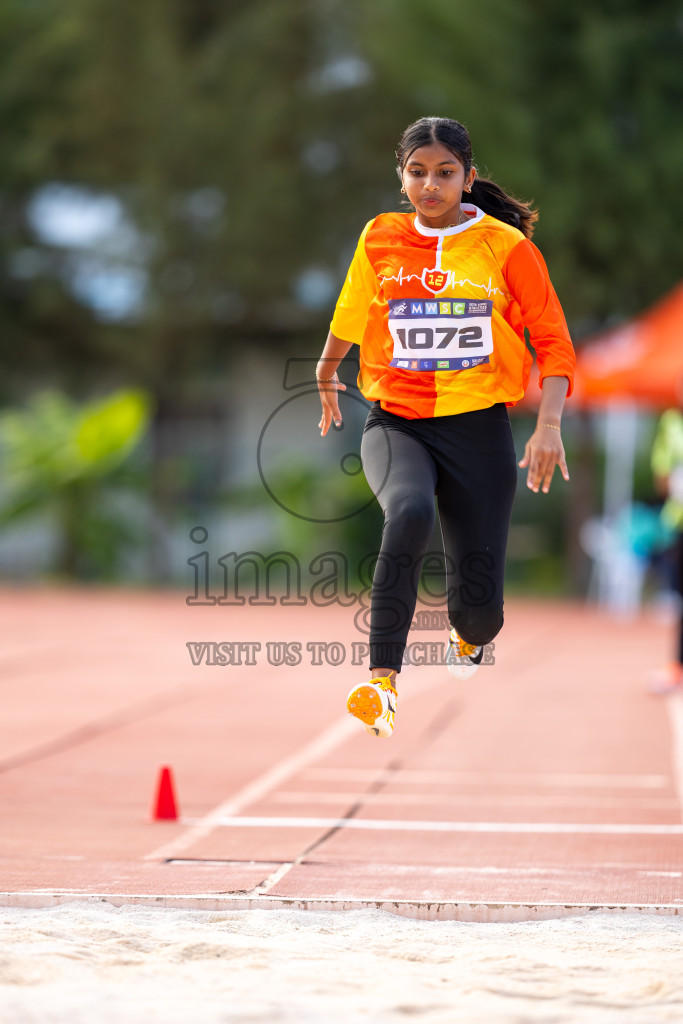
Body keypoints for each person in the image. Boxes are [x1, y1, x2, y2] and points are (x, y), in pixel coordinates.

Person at [315, 116, 575, 737]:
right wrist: (326, 372)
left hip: (478, 428)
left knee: (481, 613)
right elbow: (351, 310)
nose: (430, 185)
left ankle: (468, 634)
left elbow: (554, 342)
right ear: (401, 177)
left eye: (444, 173)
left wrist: (549, 424)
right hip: (396, 421)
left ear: (468, 177)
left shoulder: (507, 249)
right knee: (407, 513)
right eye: (417, 173)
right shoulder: (380, 236)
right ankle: (381, 684)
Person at [649, 406, 683, 694]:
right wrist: (674, 482)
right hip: (679, 522)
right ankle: (677, 667)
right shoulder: (671, 421)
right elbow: (661, 475)